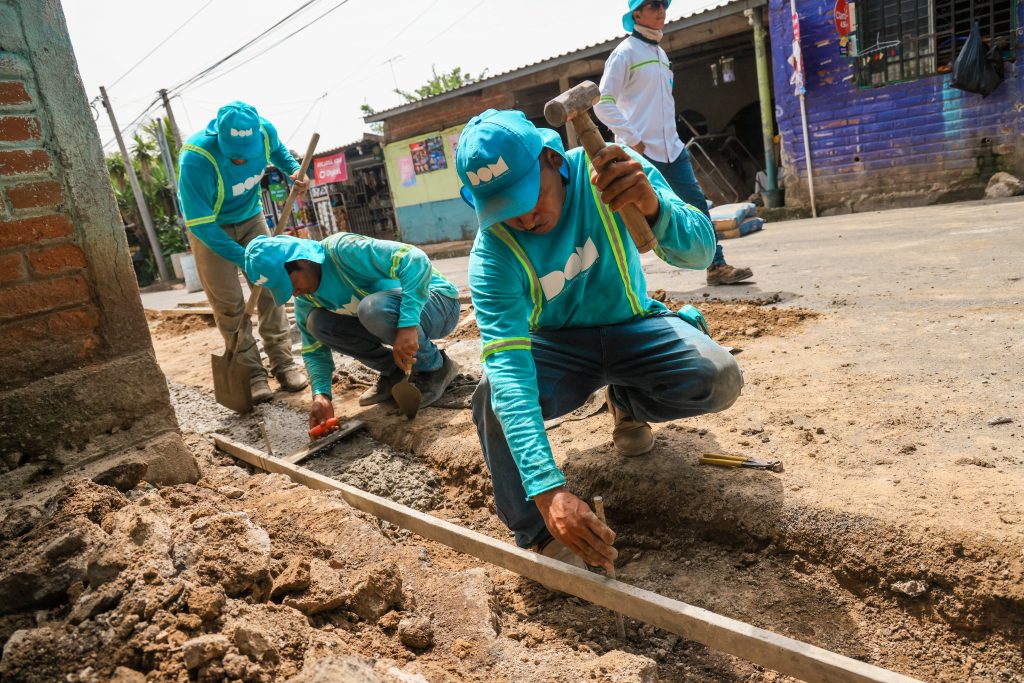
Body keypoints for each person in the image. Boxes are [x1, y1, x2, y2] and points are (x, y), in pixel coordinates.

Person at [457, 109, 743, 572]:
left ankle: (628, 400)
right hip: (557, 347)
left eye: (530, 198)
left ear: (552, 159)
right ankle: (537, 534)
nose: (525, 219)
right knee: (492, 396)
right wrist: (548, 491)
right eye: (505, 211)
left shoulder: (609, 173)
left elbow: (700, 253)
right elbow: (510, 370)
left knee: (719, 377)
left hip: (633, 326)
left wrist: (655, 207)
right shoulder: (492, 253)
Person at [594, 0, 754, 286]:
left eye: (662, 4)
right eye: (652, 5)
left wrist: (674, 140)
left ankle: (716, 266)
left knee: (696, 205)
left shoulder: (660, 54)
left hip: (672, 149)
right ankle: (623, 283)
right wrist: (633, 139)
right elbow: (603, 103)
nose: (660, 10)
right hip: (639, 153)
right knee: (626, 215)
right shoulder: (624, 53)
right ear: (636, 14)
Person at [242, 232, 462, 429]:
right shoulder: (307, 299)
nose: (293, 293)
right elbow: (314, 350)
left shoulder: (342, 251)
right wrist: (321, 395)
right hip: (392, 317)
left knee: (372, 308)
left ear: (300, 261)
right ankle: (393, 372)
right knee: (317, 323)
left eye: (289, 284)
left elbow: (414, 259)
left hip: (438, 304)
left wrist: (407, 324)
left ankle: (434, 367)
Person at [178, 101, 308, 403]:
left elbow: (279, 152)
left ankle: (283, 363)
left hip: (251, 218)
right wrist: (245, 259)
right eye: (233, 155)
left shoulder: (265, 132)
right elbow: (201, 226)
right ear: (219, 139)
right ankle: (252, 373)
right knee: (229, 304)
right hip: (211, 229)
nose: (240, 161)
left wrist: (292, 171)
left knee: (271, 288)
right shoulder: (196, 159)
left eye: (245, 156)